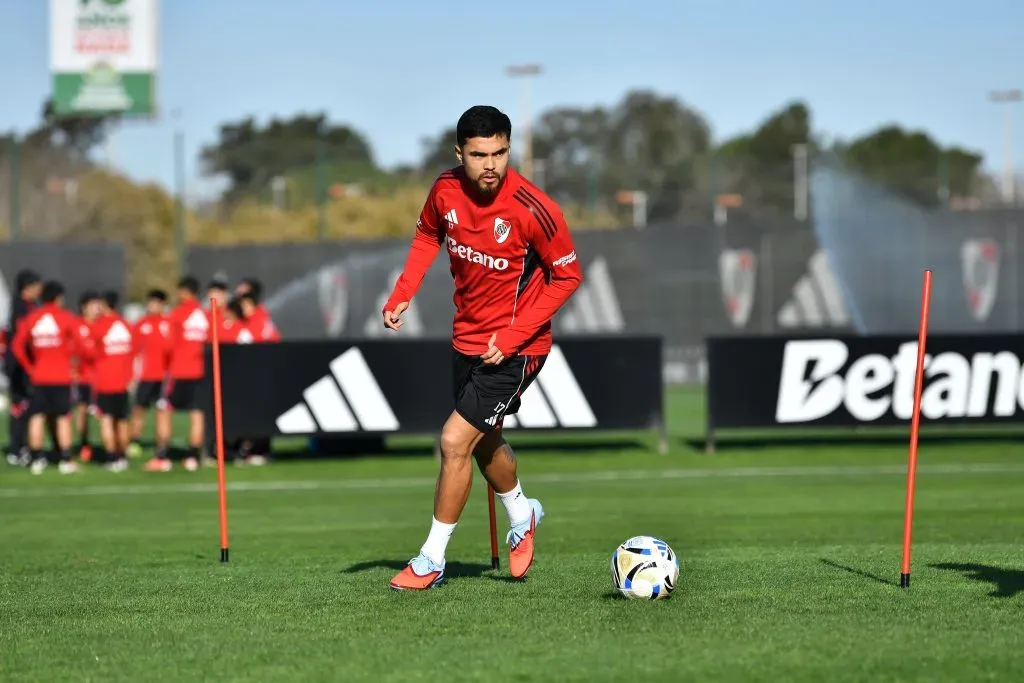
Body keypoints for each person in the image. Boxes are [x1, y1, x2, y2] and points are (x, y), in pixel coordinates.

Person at [382, 105, 583, 590]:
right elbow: (428, 234)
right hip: (466, 340)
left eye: (500, 152)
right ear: (460, 153)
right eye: (479, 154)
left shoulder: (534, 207)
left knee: (454, 442)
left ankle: (431, 560)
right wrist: (403, 291)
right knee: (483, 441)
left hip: (516, 349)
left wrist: (514, 337)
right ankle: (522, 515)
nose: (490, 164)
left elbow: (568, 276)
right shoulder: (444, 190)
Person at [10, 281, 80, 475]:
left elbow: (16, 346)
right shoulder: (66, 317)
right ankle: (66, 459)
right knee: (63, 417)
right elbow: (78, 344)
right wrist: (72, 362)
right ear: (58, 298)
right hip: (61, 376)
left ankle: (37, 458)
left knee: (37, 416)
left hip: (39, 376)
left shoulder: (33, 318)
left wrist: (30, 367)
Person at [146, 276, 209, 473]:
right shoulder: (206, 315)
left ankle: (162, 456)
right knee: (197, 413)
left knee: (163, 410)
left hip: (180, 371)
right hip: (201, 371)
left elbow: (168, 344)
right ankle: (192, 457)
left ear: (184, 291)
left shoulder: (178, 314)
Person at [91, 291, 134, 471]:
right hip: (123, 382)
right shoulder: (126, 326)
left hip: (105, 382)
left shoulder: (99, 326)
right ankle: (122, 457)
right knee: (122, 421)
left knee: (107, 421)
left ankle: (111, 457)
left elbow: (91, 354)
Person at [4, 269, 42, 466]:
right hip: (19, 365)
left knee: (28, 406)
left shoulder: (32, 306)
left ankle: (24, 446)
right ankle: (17, 448)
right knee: (21, 406)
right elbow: (20, 339)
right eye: (35, 286)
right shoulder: (20, 308)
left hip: (27, 363)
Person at [129, 289, 170, 457]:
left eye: (157, 303)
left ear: (163, 305)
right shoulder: (141, 324)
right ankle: (133, 441)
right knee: (139, 410)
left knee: (162, 412)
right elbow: (133, 350)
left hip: (163, 377)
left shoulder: (168, 324)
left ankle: (161, 446)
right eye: (150, 302)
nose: (153, 306)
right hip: (145, 376)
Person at [72, 290, 102, 462]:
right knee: (82, 412)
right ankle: (84, 444)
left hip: (103, 380)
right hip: (83, 379)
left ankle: (114, 448)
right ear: (84, 307)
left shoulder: (104, 325)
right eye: (93, 305)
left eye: (98, 305)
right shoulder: (76, 326)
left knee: (106, 415)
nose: (97, 309)